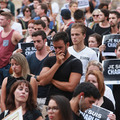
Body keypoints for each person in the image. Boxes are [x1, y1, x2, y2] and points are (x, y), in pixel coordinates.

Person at [36, 31, 83, 104]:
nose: (57, 50)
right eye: (55, 48)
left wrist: (51, 80)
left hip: (67, 103)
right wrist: (57, 64)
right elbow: (42, 81)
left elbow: (71, 87)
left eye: (60, 47)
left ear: (67, 45)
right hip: (50, 102)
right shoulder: (50, 60)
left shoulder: (76, 62)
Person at [27, 30, 50, 110]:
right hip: (33, 96)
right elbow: (26, 76)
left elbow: (47, 79)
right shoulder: (29, 58)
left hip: (47, 97)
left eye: (38, 41)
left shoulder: (51, 58)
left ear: (45, 41)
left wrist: (34, 77)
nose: (36, 44)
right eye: (34, 42)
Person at [0, 12, 22, 83]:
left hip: (8, 65)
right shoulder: (0, 33)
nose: (0, 21)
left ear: (8, 21)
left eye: (2, 19)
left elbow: (23, 45)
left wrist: (16, 54)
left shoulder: (15, 33)